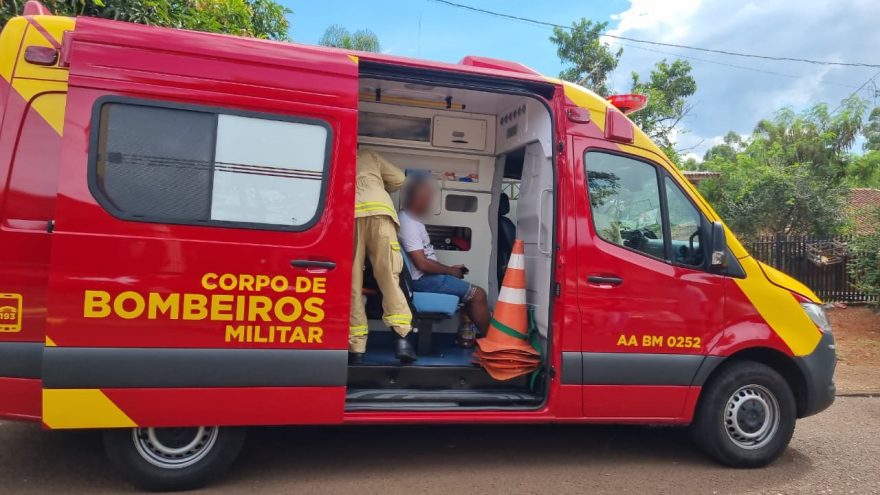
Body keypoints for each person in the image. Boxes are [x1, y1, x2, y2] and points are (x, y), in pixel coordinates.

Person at [399, 176, 491, 335]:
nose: (429, 203)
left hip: (424, 277)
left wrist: (447, 270)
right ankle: (493, 342)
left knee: (471, 294)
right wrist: (450, 271)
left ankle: (479, 338)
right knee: (478, 294)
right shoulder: (409, 224)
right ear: (417, 199)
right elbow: (422, 264)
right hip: (421, 281)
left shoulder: (408, 219)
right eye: (428, 198)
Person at [350, 149, 415, 365]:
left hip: (351, 215)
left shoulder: (335, 153)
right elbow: (399, 180)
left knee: (352, 284)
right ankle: (403, 340)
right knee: (388, 278)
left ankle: (356, 348)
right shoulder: (369, 155)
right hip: (381, 212)